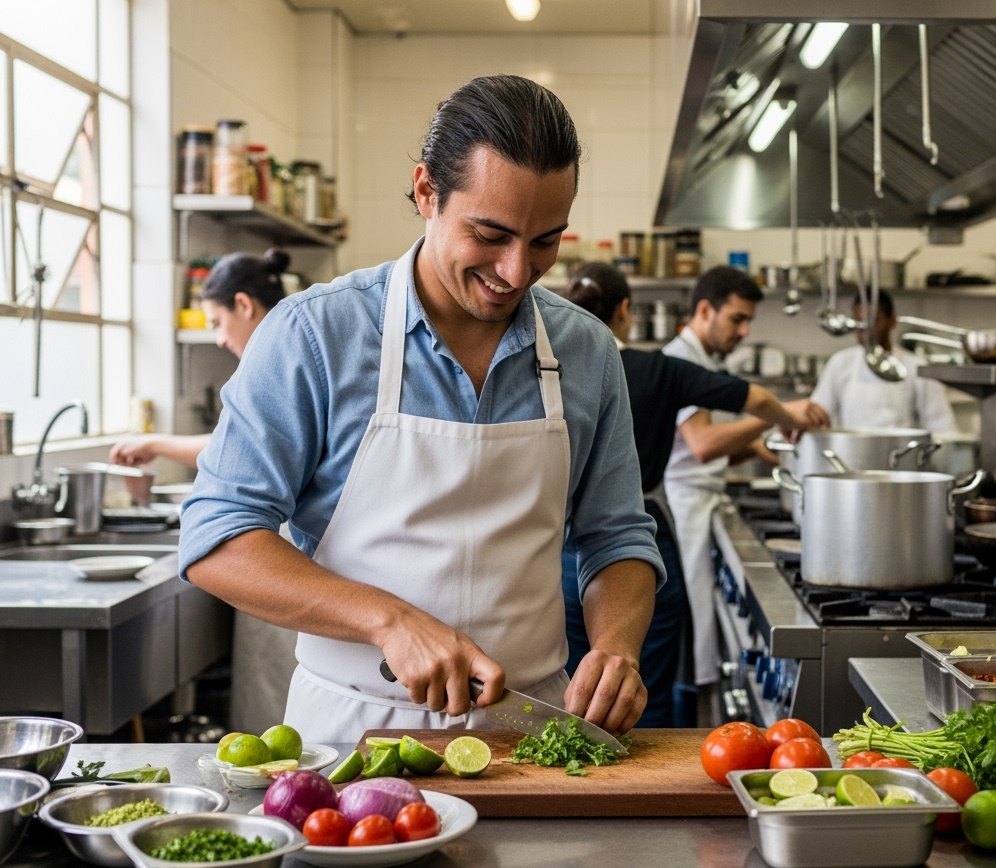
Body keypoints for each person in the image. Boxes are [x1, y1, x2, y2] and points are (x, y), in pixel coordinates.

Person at [179, 75, 663, 741]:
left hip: (533, 734)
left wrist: (615, 647)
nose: (516, 272)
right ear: (427, 192)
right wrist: (389, 620)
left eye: (545, 241)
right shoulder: (315, 334)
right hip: (349, 737)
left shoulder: (587, 351)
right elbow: (218, 537)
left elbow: (617, 538)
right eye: (490, 234)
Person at [561, 263, 816, 726]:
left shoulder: (550, 366)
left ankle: (578, 763)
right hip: (635, 540)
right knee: (640, 680)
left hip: (561, 544)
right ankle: (651, 765)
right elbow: (757, 400)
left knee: (572, 683)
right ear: (625, 310)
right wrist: (790, 415)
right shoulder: (658, 368)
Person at [663, 266, 830, 698]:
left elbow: (695, 449)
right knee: (687, 641)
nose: (744, 331)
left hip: (700, 503)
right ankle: (680, 721)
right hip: (683, 513)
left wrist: (755, 449)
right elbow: (701, 445)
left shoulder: (703, 358)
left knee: (698, 635)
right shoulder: (682, 359)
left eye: (748, 321)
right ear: (705, 310)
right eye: (737, 319)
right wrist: (772, 418)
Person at [109, 249, 291, 469]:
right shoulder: (289, 354)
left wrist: (153, 444)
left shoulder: (277, 368)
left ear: (244, 305)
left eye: (217, 322)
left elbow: (236, 450)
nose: (220, 340)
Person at [810, 290, 957, 433]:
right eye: (858, 322)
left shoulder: (917, 367)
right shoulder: (840, 363)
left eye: (871, 322)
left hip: (901, 449)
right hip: (852, 450)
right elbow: (816, 416)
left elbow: (942, 426)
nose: (862, 330)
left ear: (892, 321)